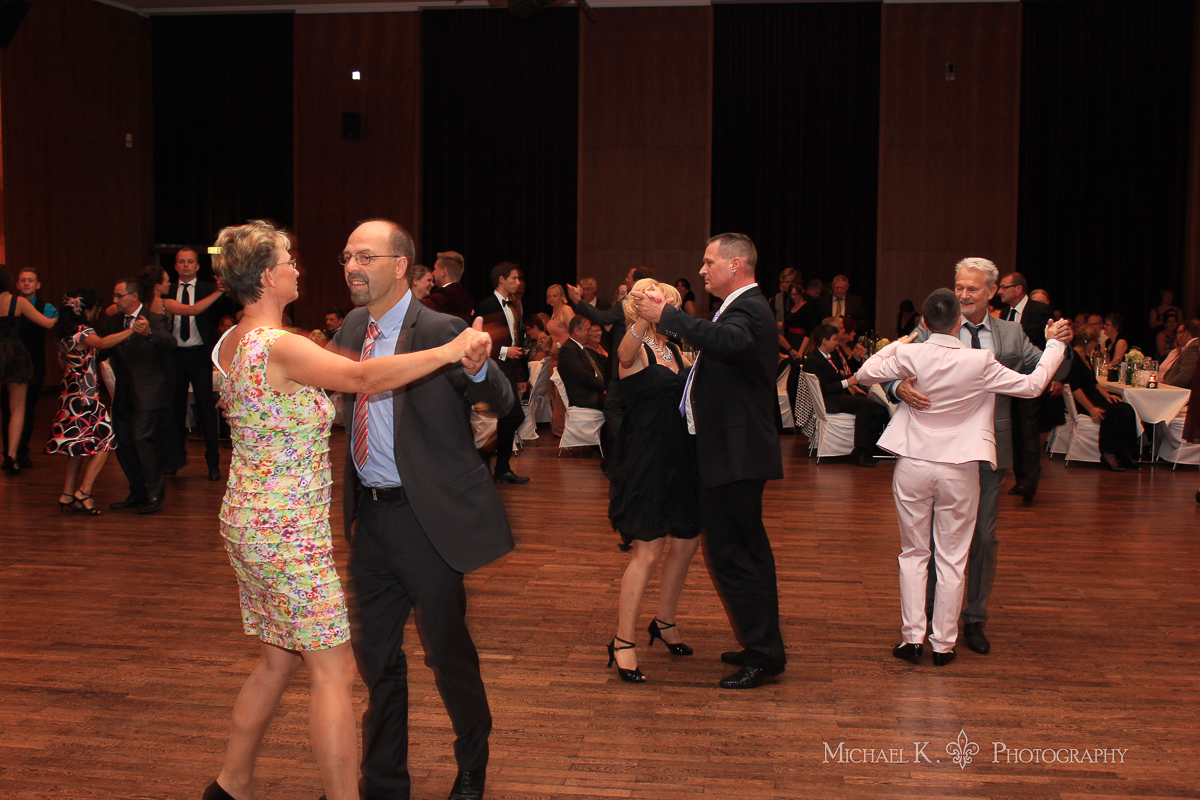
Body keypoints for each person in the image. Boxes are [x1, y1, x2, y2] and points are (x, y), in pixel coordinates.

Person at [204, 220, 491, 800]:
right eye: (289, 260)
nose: (298, 268)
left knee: (277, 661)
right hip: (286, 531)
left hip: (249, 520)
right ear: (268, 276)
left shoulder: (232, 341)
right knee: (334, 672)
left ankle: (230, 785)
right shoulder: (280, 346)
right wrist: (449, 350)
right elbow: (361, 377)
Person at [331, 219, 514, 800]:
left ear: (399, 266)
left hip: (427, 519)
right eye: (347, 257)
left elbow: (502, 399)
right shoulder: (353, 326)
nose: (352, 267)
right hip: (371, 519)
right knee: (376, 658)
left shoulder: (440, 328)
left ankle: (473, 759)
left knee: (445, 651)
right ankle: (384, 783)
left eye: (365, 257)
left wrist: (477, 365)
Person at [856, 289, 1070, 666]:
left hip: (914, 462)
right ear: (959, 322)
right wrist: (1053, 345)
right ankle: (943, 644)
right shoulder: (980, 361)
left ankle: (912, 639)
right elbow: (1033, 386)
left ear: (924, 322)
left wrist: (900, 343)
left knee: (913, 552)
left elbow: (864, 373)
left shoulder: (909, 353)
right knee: (952, 557)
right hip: (959, 466)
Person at [632, 233, 785, 689]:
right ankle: (764, 647)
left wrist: (668, 316)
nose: (701, 270)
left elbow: (727, 341)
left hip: (736, 454)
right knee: (748, 552)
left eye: (708, 262)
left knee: (732, 555)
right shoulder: (743, 306)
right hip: (735, 451)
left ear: (734, 265)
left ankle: (762, 654)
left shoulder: (748, 308)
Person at [606, 279, 700, 682]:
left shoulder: (674, 348)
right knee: (647, 550)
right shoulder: (635, 345)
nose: (658, 294)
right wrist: (643, 319)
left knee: (687, 541)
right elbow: (623, 357)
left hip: (681, 455)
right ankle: (622, 642)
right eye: (650, 292)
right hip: (647, 457)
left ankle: (663, 621)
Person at [44, 290, 135, 514]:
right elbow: (102, 343)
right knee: (107, 440)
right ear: (86, 311)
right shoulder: (83, 331)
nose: (98, 312)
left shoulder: (65, 333)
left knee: (77, 445)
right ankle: (83, 491)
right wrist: (132, 330)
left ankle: (67, 494)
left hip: (69, 394)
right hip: (84, 396)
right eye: (96, 309)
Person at [101, 277, 176, 513]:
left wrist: (149, 333)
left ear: (133, 297)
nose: (114, 300)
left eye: (118, 296)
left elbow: (170, 343)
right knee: (122, 442)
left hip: (148, 391)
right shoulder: (113, 322)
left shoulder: (155, 319)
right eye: (114, 296)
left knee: (142, 439)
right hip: (122, 392)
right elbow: (102, 348)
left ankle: (154, 493)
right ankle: (137, 492)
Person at [166, 249, 231, 482]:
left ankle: (213, 464)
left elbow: (227, 312)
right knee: (175, 410)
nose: (185, 265)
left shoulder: (209, 289)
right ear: (175, 266)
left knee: (206, 410)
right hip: (174, 355)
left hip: (200, 355)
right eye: (181, 261)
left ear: (197, 266)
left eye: (190, 261)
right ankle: (174, 460)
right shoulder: (167, 291)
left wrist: (225, 288)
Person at [995, 272, 1054, 502]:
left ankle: (1029, 483)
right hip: (1008, 381)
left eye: (1004, 287)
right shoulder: (1005, 314)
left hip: (1031, 380)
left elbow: (1048, 345)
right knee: (1015, 431)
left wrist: (1053, 376)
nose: (1000, 291)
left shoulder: (1039, 311)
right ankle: (1020, 479)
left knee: (1029, 432)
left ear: (1018, 289)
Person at [804, 322, 889, 468]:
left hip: (836, 395)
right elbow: (823, 388)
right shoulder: (814, 360)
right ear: (825, 341)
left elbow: (837, 376)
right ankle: (859, 452)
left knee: (881, 410)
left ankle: (870, 446)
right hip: (828, 401)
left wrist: (854, 378)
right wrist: (847, 383)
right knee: (865, 405)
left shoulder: (826, 356)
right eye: (834, 339)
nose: (837, 342)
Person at [476, 262, 530, 484]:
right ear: (502, 279)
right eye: (514, 278)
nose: (518, 282)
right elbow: (479, 340)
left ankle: (499, 467)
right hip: (491, 369)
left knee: (511, 417)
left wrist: (521, 376)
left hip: (508, 370)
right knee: (510, 417)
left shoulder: (514, 306)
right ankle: (488, 462)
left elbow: (516, 340)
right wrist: (505, 351)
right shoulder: (486, 306)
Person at [0, 266, 57, 474]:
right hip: (14, 355)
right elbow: (48, 323)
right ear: (10, 282)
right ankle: (12, 456)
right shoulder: (17, 302)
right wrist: (63, 315)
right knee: (18, 408)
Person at [1066, 324, 1140, 471]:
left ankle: (1125, 452)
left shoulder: (1085, 357)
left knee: (1127, 409)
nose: (1096, 346)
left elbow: (1094, 382)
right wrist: (1091, 409)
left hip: (1094, 398)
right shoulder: (1074, 358)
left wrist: (1107, 395)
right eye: (1095, 342)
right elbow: (1075, 388)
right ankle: (1108, 453)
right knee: (1116, 413)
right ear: (1089, 342)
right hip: (1085, 402)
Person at [543, 283, 574, 436]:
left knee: (561, 390)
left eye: (555, 296)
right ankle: (560, 427)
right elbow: (559, 329)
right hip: (554, 354)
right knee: (554, 389)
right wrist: (550, 338)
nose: (552, 299)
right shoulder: (555, 311)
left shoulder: (566, 310)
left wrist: (560, 344)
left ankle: (563, 429)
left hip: (565, 354)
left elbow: (574, 331)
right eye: (550, 296)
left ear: (562, 296)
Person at [422, 251, 474, 323]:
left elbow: (421, 309)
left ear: (443, 272)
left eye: (435, 269)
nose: (433, 273)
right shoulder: (467, 298)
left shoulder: (445, 294)